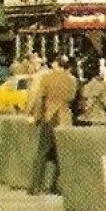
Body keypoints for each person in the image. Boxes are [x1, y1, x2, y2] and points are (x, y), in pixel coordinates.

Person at [28, 55, 77, 194]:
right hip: (64, 118)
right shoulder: (72, 80)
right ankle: (55, 185)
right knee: (60, 153)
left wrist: (36, 116)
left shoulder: (46, 78)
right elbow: (71, 97)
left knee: (42, 152)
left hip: (49, 116)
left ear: (56, 64)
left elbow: (40, 99)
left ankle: (35, 185)